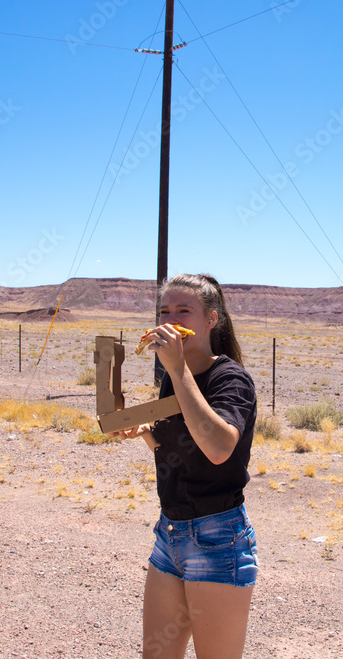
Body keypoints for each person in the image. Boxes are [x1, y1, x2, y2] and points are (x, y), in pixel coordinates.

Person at [109, 273, 258, 659]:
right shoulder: (172, 380)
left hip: (218, 537)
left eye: (184, 311)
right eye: (164, 310)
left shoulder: (230, 379)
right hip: (170, 533)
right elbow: (182, 449)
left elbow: (219, 448)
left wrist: (177, 368)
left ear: (211, 319)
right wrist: (146, 433)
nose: (170, 318)